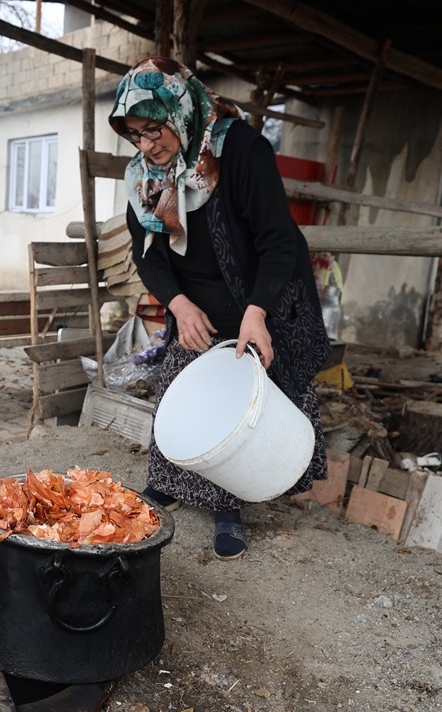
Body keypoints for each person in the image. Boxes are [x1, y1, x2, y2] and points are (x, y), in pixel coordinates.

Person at [109, 57, 331, 559]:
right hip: (197, 306)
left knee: (241, 411)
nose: (148, 145)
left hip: (260, 293)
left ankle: (228, 507)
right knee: (183, 400)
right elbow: (149, 259)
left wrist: (257, 313)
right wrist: (180, 305)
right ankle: (169, 484)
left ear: (179, 109)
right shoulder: (144, 179)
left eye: (155, 128)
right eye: (136, 135)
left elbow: (278, 241)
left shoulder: (241, 153)